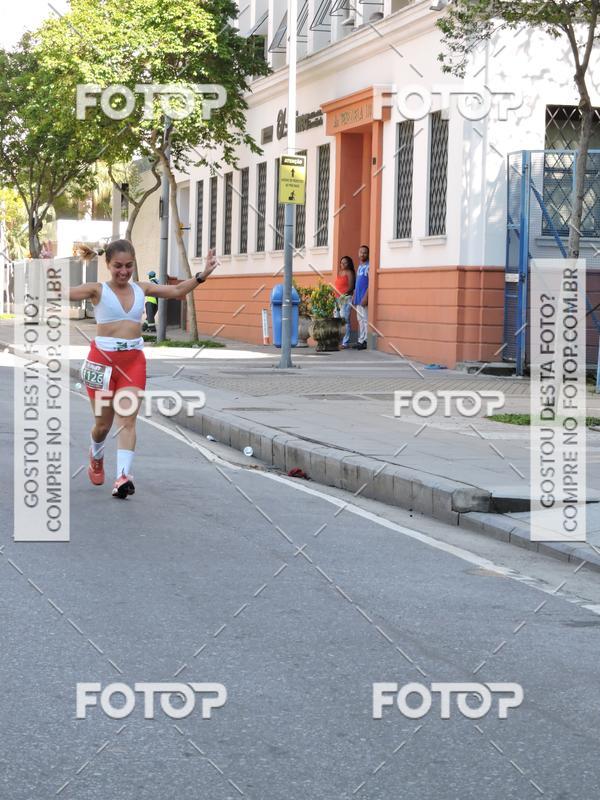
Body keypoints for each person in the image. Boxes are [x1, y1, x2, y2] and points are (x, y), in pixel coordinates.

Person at [70, 239, 218, 498]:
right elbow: (64, 292)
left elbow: (177, 290)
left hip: (132, 363)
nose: (123, 271)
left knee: (127, 420)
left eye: (128, 266)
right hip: (102, 363)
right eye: (118, 266)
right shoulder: (97, 290)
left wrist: (202, 275)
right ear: (108, 264)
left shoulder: (142, 288)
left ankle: (123, 477)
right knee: (103, 425)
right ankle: (96, 454)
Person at [334, 256, 356, 349]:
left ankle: (345, 342)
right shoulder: (340, 272)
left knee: (345, 320)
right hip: (337, 298)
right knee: (336, 320)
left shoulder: (350, 272)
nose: (342, 264)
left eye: (345, 262)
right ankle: (337, 341)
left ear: (349, 263)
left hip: (346, 298)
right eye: (341, 262)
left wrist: (343, 296)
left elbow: (351, 287)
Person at [353, 244, 369, 350]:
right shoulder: (359, 266)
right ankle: (360, 340)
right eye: (361, 252)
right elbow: (357, 283)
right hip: (358, 297)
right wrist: (355, 295)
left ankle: (366, 340)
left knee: (365, 319)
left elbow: (370, 283)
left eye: (365, 252)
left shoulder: (369, 266)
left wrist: (366, 297)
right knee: (360, 319)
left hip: (364, 297)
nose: (362, 254)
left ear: (368, 254)